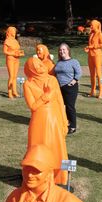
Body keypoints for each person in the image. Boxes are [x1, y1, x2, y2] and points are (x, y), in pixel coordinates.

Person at [22, 55, 69, 183]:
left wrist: (64, 121)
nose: (41, 66)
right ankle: (38, 175)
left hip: (54, 119)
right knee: (38, 147)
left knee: (56, 147)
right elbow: (32, 106)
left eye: (40, 63)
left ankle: (58, 177)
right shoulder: (28, 84)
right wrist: (46, 96)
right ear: (31, 70)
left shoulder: (52, 80)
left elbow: (60, 101)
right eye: (36, 65)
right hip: (39, 121)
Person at [55, 43, 82, 134]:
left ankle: (73, 126)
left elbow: (78, 73)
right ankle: (65, 122)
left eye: (63, 50)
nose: (62, 51)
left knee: (70, 107)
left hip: (70, 87)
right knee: (61, 106)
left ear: (68, 50)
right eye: (60, 50)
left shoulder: (74, 61)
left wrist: (72, 82)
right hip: (59, 87)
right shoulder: (58, 62)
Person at [84, 19, 102, 99]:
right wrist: (88, 48)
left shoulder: (100, 34)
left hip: (97, 55)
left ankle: (100, 91)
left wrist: (92, 47)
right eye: (90, 25)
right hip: (90, 55)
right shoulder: (91, 34)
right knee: (92, 74)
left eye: (92, 25)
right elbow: (90, 44)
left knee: (99, 73)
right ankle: (93, 91)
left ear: (96, 26)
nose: (90, 26)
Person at [2, 26, 25, 99]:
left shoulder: (15, 41)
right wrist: (13, 54)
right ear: (10, 32)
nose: (15, 33)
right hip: (10, 59)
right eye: (13, 31)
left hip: (16, 59)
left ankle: (15, 92)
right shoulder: (7, 41)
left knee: (15, 76)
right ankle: (10, 92)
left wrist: (20, 52)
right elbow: (5, 51)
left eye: (15, 31)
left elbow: (17, 49)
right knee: (11, 76)